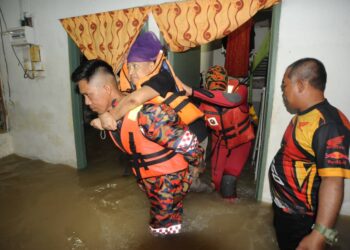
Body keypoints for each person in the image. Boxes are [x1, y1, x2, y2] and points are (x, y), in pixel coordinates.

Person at [71, 59, 204, 236]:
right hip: (152, 181)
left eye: (89, 95)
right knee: (172, 222)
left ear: (107, 89)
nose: (87, 102)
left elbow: (190, 144)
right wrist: (102, 116)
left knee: (162, 232)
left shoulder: (147, 114)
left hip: (168, 183)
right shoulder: (115, 111)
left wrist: (197, 167)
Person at [92, 31, 212, 192]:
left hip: (194, 134)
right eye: (130, 66)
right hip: (170, 135)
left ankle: (206, 190)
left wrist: (106, 118)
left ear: (152, 64)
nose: (132, 72)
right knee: (172, 181)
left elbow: (134, 100)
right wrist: (101, 112)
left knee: (188, 181)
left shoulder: (163, 78)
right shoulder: (135, 83)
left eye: (136, 66)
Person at [269, 58, 350, 250]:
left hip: (302, 219)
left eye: (284, 86)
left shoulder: (328, 125)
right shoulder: (305, 114)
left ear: (300, 84)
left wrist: (319, 235)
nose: (283, 92)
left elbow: (333, 182)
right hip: (287, 209)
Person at [186, 65, 255, 201]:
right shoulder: (202, 104)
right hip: (220, 142)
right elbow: (197, 134)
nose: (216, 90)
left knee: (228, 181)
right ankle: (217, 206)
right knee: (216, 183)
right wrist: (196, 163)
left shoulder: (240, 90)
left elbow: (230, 100)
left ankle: (230, 212)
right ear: (207, 85)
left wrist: (193, 91)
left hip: (240, 141)